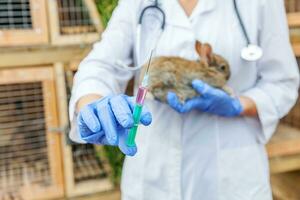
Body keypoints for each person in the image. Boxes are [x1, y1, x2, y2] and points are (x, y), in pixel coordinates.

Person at [69, 0, 300, 199]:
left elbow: (283, 82)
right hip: (152, 172)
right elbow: (101, 65)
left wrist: (239, 105)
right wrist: (93, 104)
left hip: (231, 175)